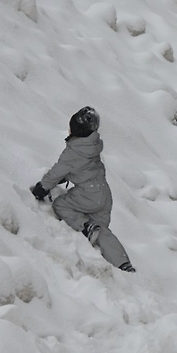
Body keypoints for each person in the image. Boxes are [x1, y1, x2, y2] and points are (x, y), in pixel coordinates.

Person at [30, 106, 135, 272]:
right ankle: (123, 263)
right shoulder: (93, 145)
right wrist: (69, 176)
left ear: (76, 130)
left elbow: (56, 172)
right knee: (103, 231)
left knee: (60, 205)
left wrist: (42, 188)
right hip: (104, 194)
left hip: (89, 194)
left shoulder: (73, 152)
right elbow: (83, 167)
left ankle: (85, 226)